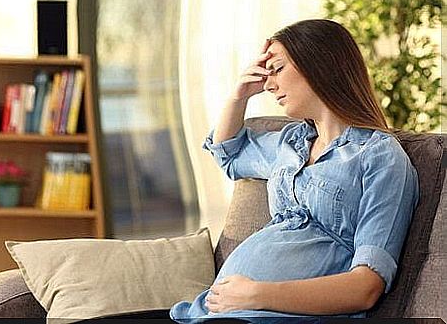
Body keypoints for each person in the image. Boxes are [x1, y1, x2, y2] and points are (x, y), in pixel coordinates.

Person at [169, 19, 420, 322]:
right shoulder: (291, 143)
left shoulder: (380, 157)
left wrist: (257, 295)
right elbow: (228, 153)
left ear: (319, 64)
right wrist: (239, 95)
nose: (269, 84)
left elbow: (366, 287)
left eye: (277, 69)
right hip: (211, 313)